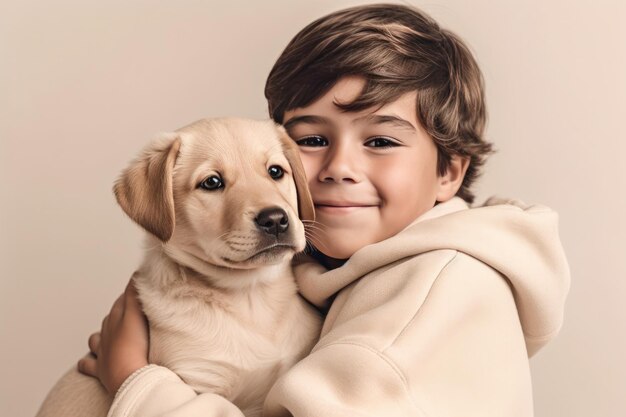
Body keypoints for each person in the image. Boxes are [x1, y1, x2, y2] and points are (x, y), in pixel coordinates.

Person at [78, 3, 570, 416]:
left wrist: (134, 379)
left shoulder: (431, 296)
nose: (338, 167)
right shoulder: (347, 273)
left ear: (449, 173)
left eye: (379, 140)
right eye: (312, 140)